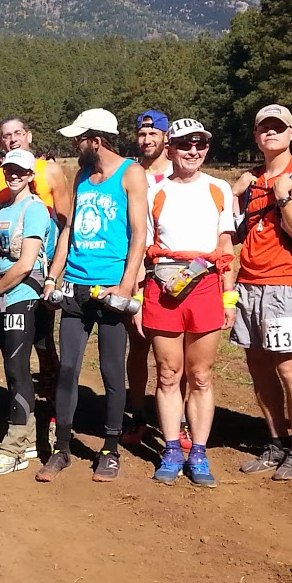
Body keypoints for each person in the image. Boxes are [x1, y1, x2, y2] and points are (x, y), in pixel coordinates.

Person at [41, 108, 147, 483]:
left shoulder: (131, 174)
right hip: (75, 287)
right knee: (68, 368)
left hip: (110, 290)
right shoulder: (82, 175)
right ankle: (62, 450)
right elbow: (68, 232)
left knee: (111, 372)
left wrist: (126, 283)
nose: (74, 145)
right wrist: (53, 277)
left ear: (96, 141)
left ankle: (110, 449)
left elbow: (139, 234)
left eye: (79, 139)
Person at [230, 105, 292, 481]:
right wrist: (233, 194)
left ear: (291, 134)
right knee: (257, 367)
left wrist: (284, 197)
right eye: (263, 128)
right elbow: (232, 233)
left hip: (285, 285)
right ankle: (275, 442)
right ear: (255, 136)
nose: (270, 134)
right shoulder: (250, 179)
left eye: (278, 128)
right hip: (249, 284)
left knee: (289, 368)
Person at [140, 118, 236, 488]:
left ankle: (198, 451)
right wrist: (137, 294)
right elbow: (143, 247)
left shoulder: (219, 188)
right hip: (163, 288)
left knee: (200, 375)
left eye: (200, 144)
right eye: (184, 144)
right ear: (170, 149)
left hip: (206, 285)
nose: (193, 151)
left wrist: (229, 297)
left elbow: (225, 248)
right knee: (167, 373)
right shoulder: (155, 192)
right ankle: (170, 448)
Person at [0, 149, 54, 476]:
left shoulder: (34, 209)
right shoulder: (1, 207)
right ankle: (27, 438)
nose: (13, 175)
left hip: (21, 294)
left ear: (30, 175)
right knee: (14, 369)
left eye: (20, 171)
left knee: (16, 370)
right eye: (9, 169)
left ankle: (13, 449)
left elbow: (25, 264)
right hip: (1, 294)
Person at [125, 109, 172, 442]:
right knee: (138, 345)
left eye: (153, 134)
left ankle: (177, 418)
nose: (147, 140)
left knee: (172, 352)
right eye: (142, 134)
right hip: (139, 268)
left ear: (166, 137)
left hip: (174, 271)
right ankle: (137, 414)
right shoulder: (130, 173)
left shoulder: (179, 172)